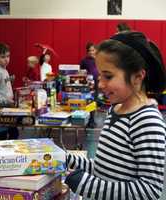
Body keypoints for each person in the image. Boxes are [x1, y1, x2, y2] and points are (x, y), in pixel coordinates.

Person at [65, 31, 166, 199]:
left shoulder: (147, 121)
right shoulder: (115, 110)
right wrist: (66, 158)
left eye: (108, 76)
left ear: (137, 77)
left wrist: (86, 184)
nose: (101, 84)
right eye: (100, 76)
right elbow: (105, 168)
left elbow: (150, 189)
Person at [80, 42, 99, 128]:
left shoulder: (99, 59)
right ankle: (89, 121)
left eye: (93, 50)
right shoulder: (84, 61)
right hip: (88, 85)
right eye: (89, 50)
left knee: (94, 102)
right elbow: (81, 73)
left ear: (96, 50)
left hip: (97, 83)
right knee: (89, 102)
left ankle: (92, 120)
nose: (91, 52)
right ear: (87, 52)